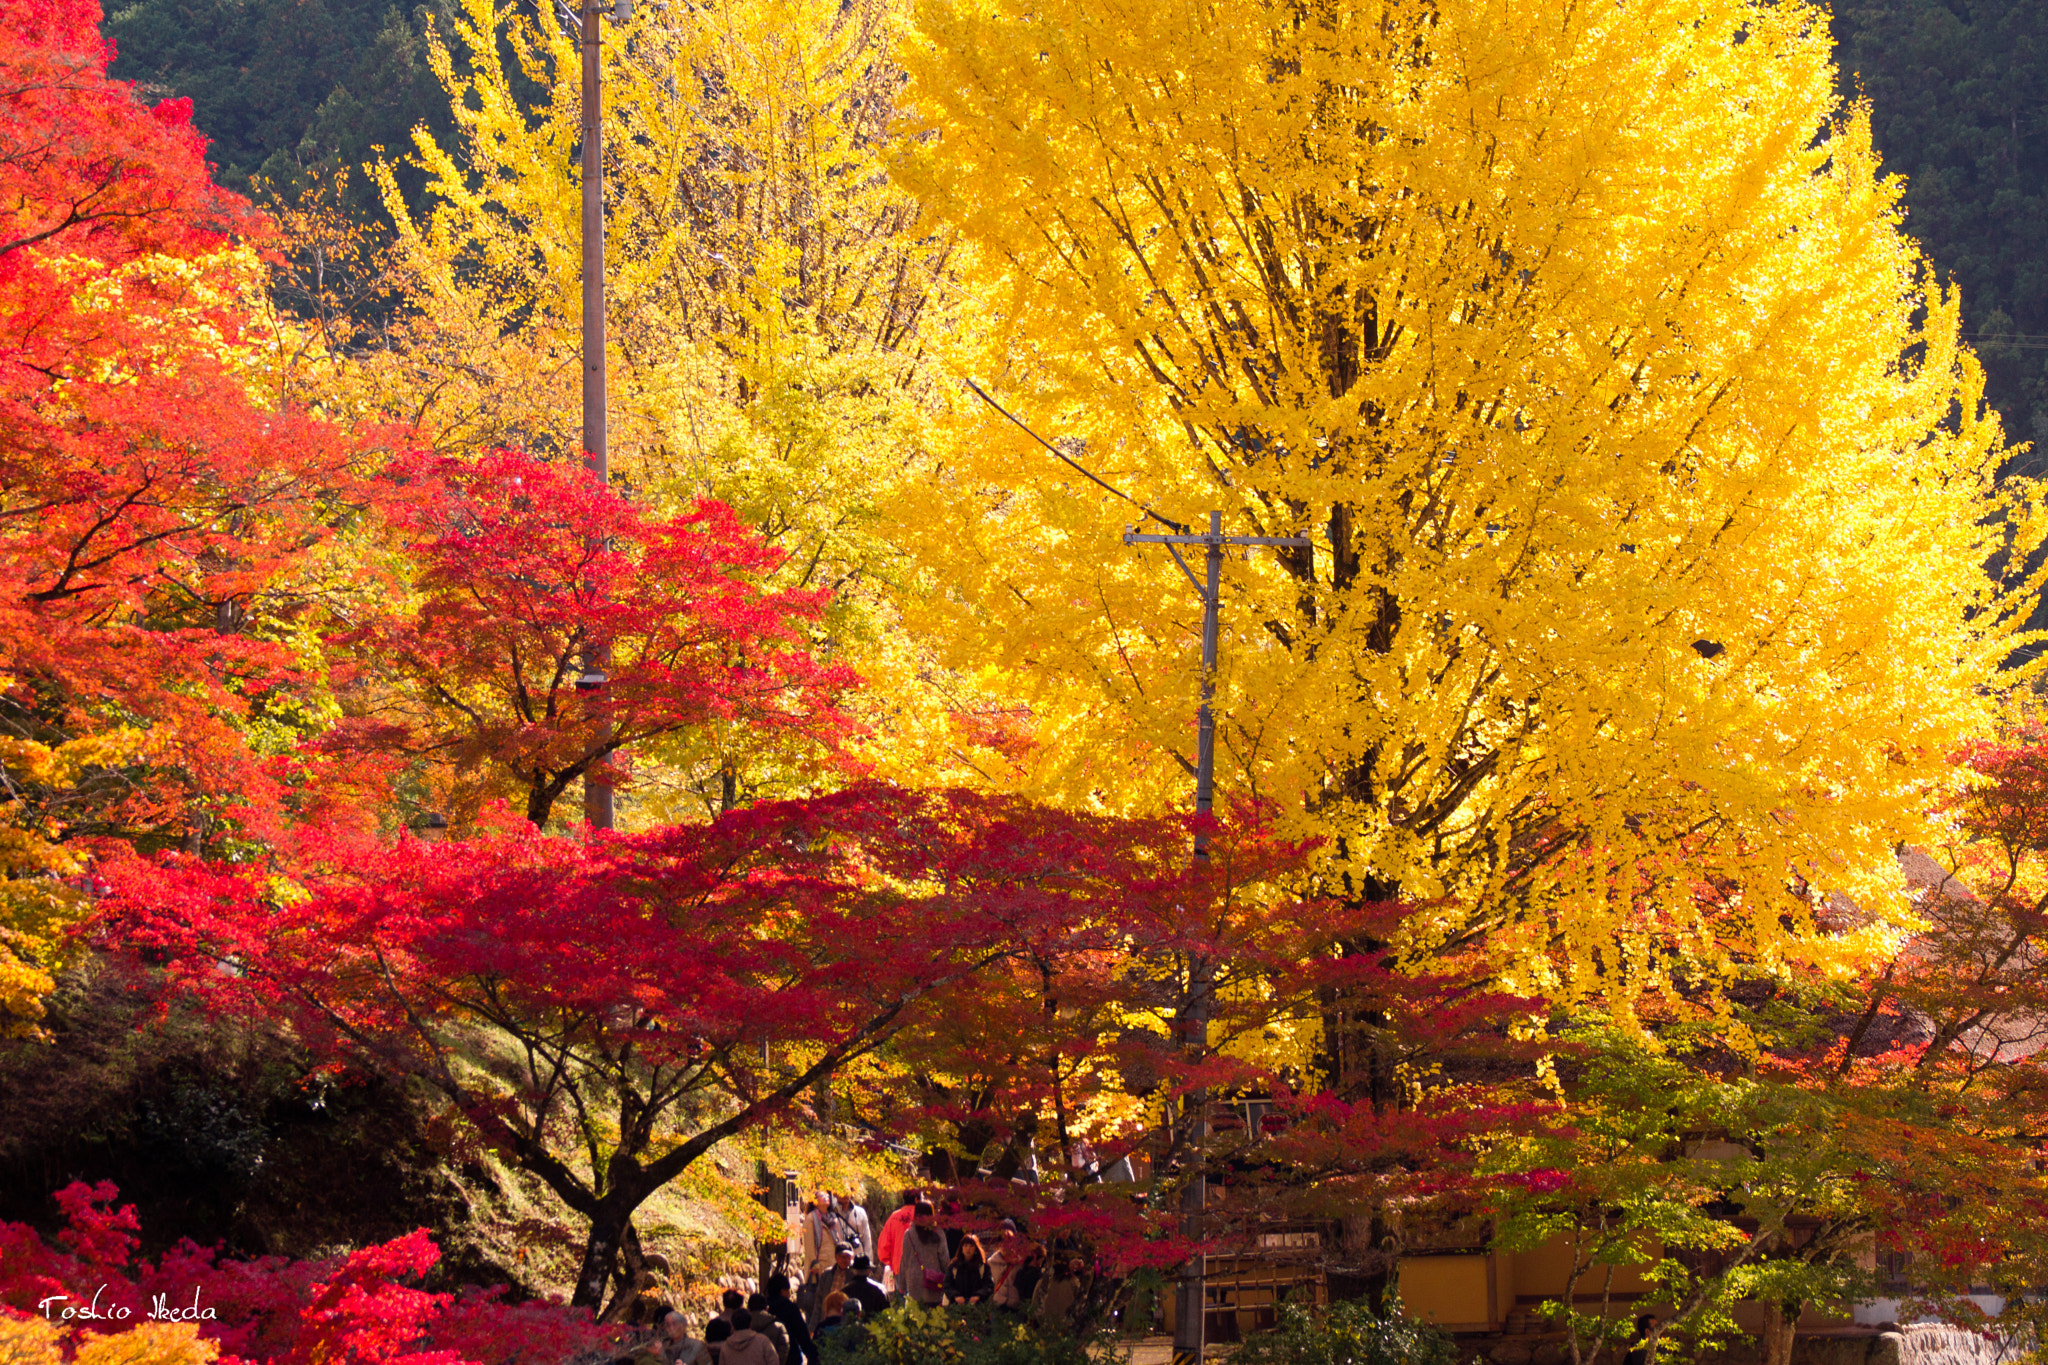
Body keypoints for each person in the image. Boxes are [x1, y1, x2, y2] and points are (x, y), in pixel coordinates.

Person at [800, 1192, 849, 1325]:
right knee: (817, 1303)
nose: (826, 1197)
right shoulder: (811, 1219)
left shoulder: (833, 1218)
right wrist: (813, 1265)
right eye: (821, 1196)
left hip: (833, 1266)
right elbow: (809, 1246)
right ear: (814, 1201)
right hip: (818, 1268)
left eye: (827, 1195)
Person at [761, 1272, 820, 1365]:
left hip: (765, 1358)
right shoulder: (789, 1308)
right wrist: (812, 1355)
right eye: (787, 1291)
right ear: (782, 1291)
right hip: (789, 1357)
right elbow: (802, 1334)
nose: (789, 1295)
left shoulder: (763, 1308)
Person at [898, 1201, 949, 1308]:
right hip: (934, 1282)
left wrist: (902, 1285)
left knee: (917, 1317)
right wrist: (948, 1279)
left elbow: (904, 1261)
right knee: (934, 1316)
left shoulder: (908, 1234)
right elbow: (944, 1259)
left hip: (914, 1283)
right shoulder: (938, 1233)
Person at [876, 1191, 918, 1292]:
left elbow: (883, 1246)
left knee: (902, 1303)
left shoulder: (894, 1217)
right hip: (921, 1267)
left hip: (899, 1266)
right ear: (917, 1199)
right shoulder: (923, 1217)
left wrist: (890, 1262)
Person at [1035, 1257, 1085, 1329]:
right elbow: (1081, 1304)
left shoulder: (1043, 1281)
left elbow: (1035, 1302)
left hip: (1044, 1324)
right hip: (1065, 1325)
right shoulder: (1074, 1283)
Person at [945, 1235, 994, 1306]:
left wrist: (978, 1296)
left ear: (976, 1249)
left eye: (971, 1246)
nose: (968, 1249)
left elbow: (989, 1286)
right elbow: (947, 1285)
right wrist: (955, 1296)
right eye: (965, 1245)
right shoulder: (954, 1266)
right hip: (957, 1307)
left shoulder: (983, 1266)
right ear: (961, 1248)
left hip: (978, 1308)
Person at [744, 1295, 790, 1365]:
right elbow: (784, 1350)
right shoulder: (778, 1327)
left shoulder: (741, 1326)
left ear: (748, 1308)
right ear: (767, 1308)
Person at [834, 1192, 873, 1260]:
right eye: (842, 1191)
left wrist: (869, 1260)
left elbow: (867, 1239)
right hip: (840, 1259)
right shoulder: (832, 1214)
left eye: (847, 1191)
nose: (845, 1194)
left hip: (858, 1258)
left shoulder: (860, 1212)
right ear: (835, 1194)